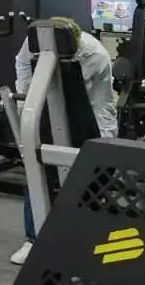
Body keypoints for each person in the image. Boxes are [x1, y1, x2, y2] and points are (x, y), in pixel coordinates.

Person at [10, 16, 116, 265]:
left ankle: (84, 237)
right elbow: (22, 63)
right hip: (42, 106)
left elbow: (103, 102)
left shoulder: (97, 56)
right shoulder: (36, 42)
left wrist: (106, 140)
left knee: (86, 176)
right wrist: (26, 102)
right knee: (37, 169)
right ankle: (33, 239)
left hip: (81, 114)